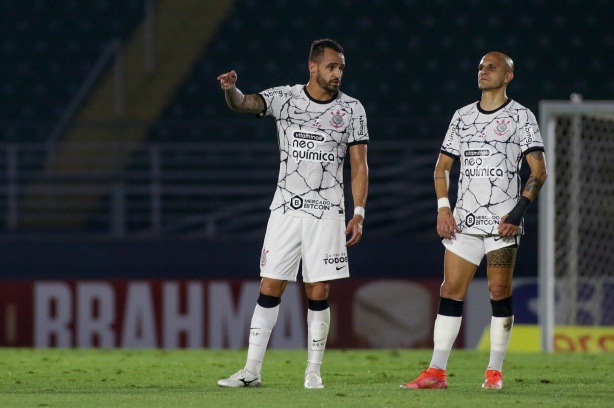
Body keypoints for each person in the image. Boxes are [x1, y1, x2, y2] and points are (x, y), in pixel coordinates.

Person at [215, 38, 369, 389]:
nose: (338, 73)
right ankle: (251, 371)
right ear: (312, 67)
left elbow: (359, 167)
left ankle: (313, 372)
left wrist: (358, 211)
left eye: (341, 67)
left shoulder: (353, 109)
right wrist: (231, 89)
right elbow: (244, 103)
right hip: (286, 209)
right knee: (270, 285)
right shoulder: (286, 98)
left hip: (328, 212)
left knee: (318, 291)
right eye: (331, 66)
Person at [401, 51, 547, 390]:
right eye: (481, 67)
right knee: (450, 289)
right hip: (464, 222)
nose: (483, 72)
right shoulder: (462, 116)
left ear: (508, 75)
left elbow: (538, 170)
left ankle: (494, 372)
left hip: (502, 223)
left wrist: (518, 213)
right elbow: (442, 168)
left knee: (499, 290)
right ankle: (436, 372)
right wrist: (443, 207)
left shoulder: (521, 117)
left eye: (491, 67)